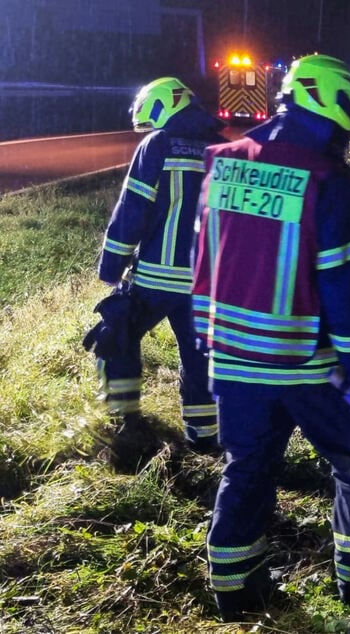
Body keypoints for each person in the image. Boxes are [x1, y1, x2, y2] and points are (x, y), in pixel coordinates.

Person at [191, 54, 350, 622]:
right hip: (307, 366)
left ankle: (235, 591)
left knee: (247, 468)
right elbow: (344, 292)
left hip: (233, 360)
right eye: (346, 128)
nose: (346, 140)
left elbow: (203, 258)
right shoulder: (328, 185)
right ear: (331, 117)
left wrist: (208, 341)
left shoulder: (225, 163)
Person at [93, 76, 226, 459]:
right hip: (205, 280)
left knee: (115, 333)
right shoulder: (223, 147)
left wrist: (111, 267)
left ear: (163, 105)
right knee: (199, 355)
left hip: (156, 277)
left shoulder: (157, 144)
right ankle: (204, 437)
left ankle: (126, 424)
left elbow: (132, 209)